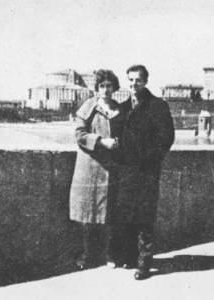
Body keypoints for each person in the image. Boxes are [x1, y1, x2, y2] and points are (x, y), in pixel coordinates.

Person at [111, 65, 175, 279]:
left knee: (145, 218)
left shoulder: (157, 106)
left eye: (137, 80)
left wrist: (149, 160)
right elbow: (116, 137)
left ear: (146, 81)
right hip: (127, 171)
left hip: (147, 171)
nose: (133, 84)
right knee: (127, 214)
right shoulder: (122, 107)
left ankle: (144, 264)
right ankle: (129, 257)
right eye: (130, 80)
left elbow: (166, 138)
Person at [69, 69, 126, 269]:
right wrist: (101, 141)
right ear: (97, 88)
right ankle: (87, 255)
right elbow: (79, 134)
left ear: (115, 87)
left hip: (112, 169)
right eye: (102, 86)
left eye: (110, 86)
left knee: (111, 215)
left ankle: (111, 255)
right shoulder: (89, 106)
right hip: (90, 168)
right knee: (88, 215)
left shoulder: (119, 109)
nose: (106, 90)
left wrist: (120, 143)